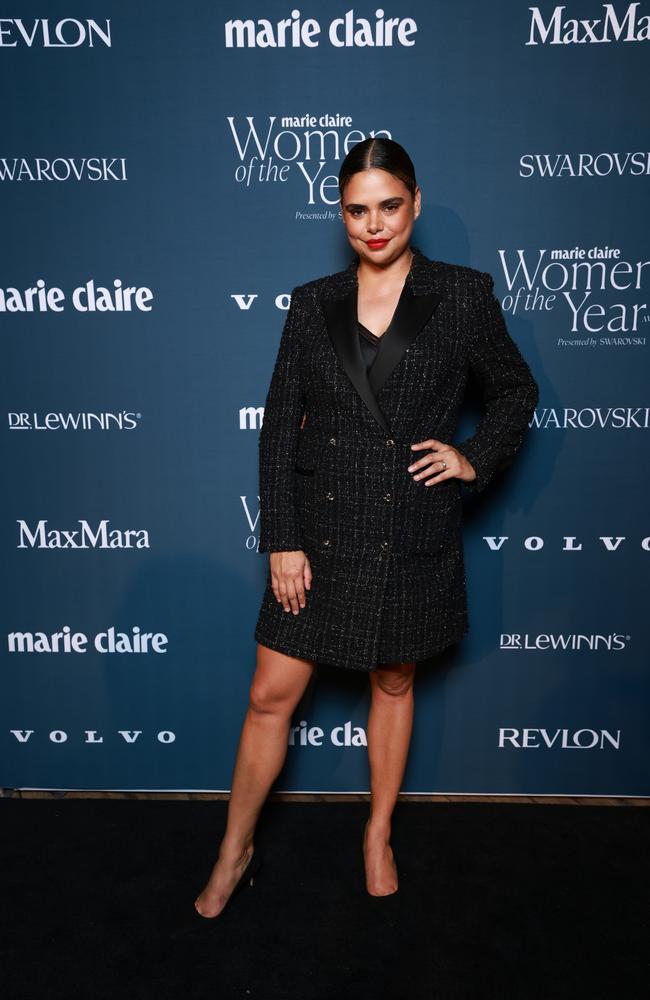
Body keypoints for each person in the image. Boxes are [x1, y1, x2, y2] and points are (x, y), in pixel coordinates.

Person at [194, 137, 539, 917]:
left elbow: (516, 391)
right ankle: (234, 848)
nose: (374, 225)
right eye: (357, 210)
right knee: (268, 696)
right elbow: (280, 426)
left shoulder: (464, 293)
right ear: (339, 214)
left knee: (393, 681)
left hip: (408, 528)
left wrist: (472, 458)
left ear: (415, 203)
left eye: (389, 206)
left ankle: (377, 832)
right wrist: (281, 537)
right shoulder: (311, 301)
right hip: (317, 534)